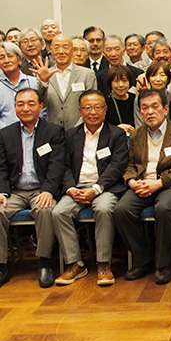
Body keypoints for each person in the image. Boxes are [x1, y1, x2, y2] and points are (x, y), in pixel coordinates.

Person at [0, 87, 66, 291]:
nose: (25, 108)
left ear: (41, 106)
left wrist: (48, 190)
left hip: (41, 189)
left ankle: (44, 263)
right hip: (15, 191)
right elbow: (0, 168)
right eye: (20, 104)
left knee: (45, 209)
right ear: (15, 107)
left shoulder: (53, 132)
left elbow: (57, 165)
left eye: (31, 103)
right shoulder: (5, 134)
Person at [113, 88, 171, 285]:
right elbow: (130, 165)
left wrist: (159, 183)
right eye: (144, 108)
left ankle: (162, 264)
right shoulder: (136, 135)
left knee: (164, 208)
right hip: (142, 184)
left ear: (165, 109)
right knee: (121, 210)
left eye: (154, 107)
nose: (149, 112)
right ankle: (143, 259)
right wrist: (132, 181)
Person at [52, 91, 129, 287]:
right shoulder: (70, 135)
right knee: (59, 212)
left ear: (105, 110)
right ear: (80, 111)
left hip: (105, 187)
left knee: (103, 209)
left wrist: (96, 188)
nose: (92, 112)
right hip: (77, 188)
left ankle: (104, 264)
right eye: (87, 108)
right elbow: (63, 166)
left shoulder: (116, 134)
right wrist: (70, 189)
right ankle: (74, 264)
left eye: (97, 107)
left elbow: (117, 165)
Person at [33, 33, 98, 130]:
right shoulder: (44, 74)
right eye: (56, 48)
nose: (61, 51)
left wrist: (78, 128)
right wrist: (43, 82)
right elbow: (40, 104)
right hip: (52, 131)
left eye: (65, 47)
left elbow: (92, 105)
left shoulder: (87, 74)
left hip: (80, 130)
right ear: (51, 51)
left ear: (72, 50)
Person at [0, 42, 37, 135]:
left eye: (10, 56)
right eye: (2, 57)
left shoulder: (34, 82)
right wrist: (10, 136)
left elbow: (42, 111)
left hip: (35, 134)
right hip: (6, 138)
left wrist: (32, 132)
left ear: (19, 60)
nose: (6, 61)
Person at [105, 64, 137, 135]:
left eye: (125, 81)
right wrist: (117, 128)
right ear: (110, 83)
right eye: (116, 81)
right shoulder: (105, 102)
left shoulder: (135, 99)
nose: (121, 85)